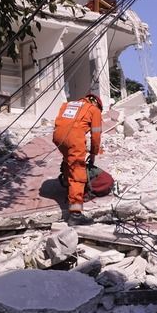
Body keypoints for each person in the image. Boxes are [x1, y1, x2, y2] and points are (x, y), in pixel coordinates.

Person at [53, 94, 103, 226]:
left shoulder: (68, 105)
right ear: (97, 103)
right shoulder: (94, 110)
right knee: (78, 173)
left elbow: (61, 123)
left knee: (69, 161)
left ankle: (67, 186)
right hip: (74, 138)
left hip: (58, 137)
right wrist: (93, 153)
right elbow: (96, 135)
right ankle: (75, 214)